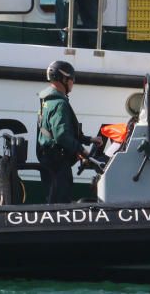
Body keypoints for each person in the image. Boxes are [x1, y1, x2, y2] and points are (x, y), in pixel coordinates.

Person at [36, 60, 102, 203]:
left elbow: (54, 130)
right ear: (63, 79)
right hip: (57, 162)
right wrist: (81, 150)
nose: (73, 83)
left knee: (52, 199)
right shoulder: (60, 104)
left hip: (48, 158)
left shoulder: (47, 100)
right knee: (61, 202)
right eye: (72, 79)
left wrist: (88, 139)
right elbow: (61, 136)